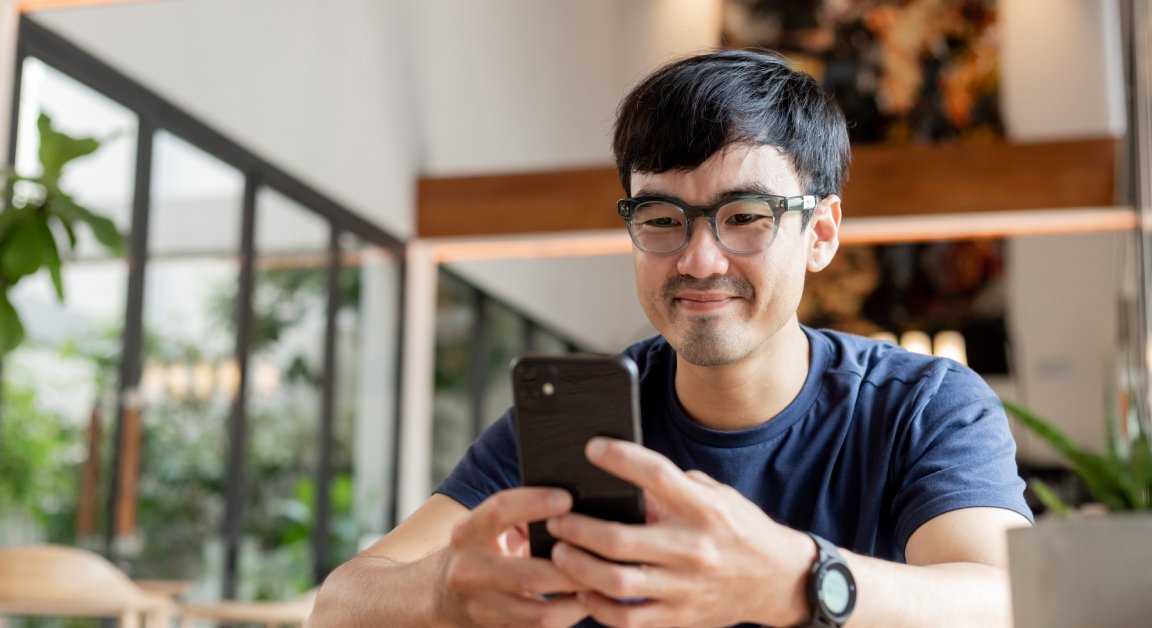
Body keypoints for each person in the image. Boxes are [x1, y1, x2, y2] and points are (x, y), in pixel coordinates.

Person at [309, 48, 1033, 628]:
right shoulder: (579, 418)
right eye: (661, 218)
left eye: (745, 215)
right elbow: (339, 606)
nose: (698, 259)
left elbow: (1006, 604)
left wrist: (794, 579)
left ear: (820, 234)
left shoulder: (922, 405)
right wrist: (441, 597)